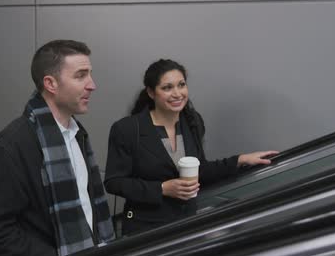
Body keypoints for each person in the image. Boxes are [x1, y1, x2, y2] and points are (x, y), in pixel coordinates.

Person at [0, 40, 115, 256]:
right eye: (81, 76)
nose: (92, 85)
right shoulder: (14, 143)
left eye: (90, 74)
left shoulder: (77, 134)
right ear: (51, 83)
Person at [104, 59, 278, 235]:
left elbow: (200, 169)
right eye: (167, 88)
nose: (177, 93)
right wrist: (162, 189)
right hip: (145, 229)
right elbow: (114, 182)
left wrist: (240, 160)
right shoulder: (127, 129)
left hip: (186, 224)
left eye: (181, 85)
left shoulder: (193, 122)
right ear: (151, 92)